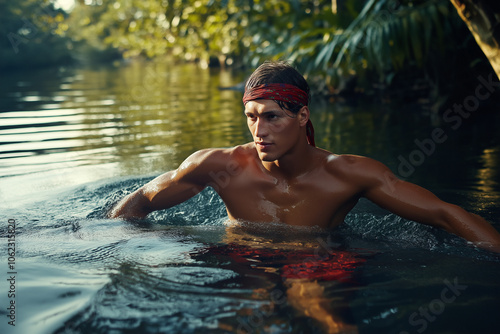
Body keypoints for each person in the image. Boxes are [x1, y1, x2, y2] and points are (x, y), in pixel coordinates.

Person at [108, 60, 500, 253]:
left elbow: (447, 214)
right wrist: (105, 238)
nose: (260, 131)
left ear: (302, 116)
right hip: (244, 259)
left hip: (318, 263)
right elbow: (141, 200)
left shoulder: (348, 174)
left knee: (324, 314)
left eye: (273, 117)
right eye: (251, 118)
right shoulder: (217, 166)